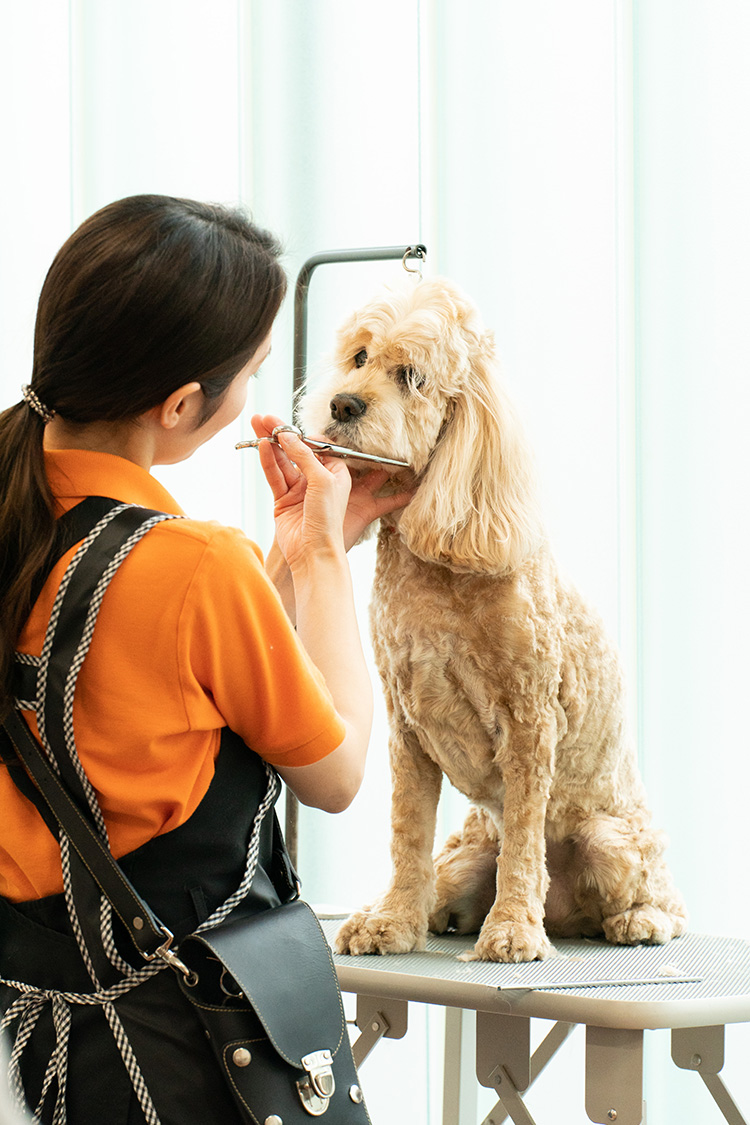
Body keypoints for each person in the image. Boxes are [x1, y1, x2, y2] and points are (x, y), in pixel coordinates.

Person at [0, 194, 413, 1124]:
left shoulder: (24, 523)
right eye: (252, 372)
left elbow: (161, 684)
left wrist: (294, 552)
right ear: (185, 405)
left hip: (36, 1047)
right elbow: (337, 771)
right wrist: (316, 559)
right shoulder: (193, 564)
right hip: (176, 1059)